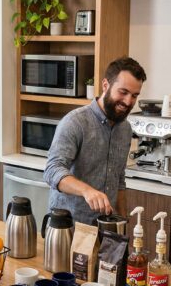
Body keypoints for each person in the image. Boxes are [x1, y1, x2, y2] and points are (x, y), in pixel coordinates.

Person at [44, 57, 146, 225]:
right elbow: (52, 171)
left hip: (107, 228)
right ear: (105, 85)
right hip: (69, 228)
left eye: (134, 95)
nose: (128, 101)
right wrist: (87, 191)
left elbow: (119, 179)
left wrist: (122, 221)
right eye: (123, 92)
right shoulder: (75, 122)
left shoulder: (125, 129)